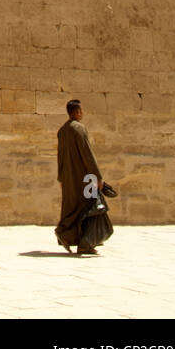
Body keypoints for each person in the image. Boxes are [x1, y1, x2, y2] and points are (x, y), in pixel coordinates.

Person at [55, 99, 111, 255]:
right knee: (90, 207)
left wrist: (61, 177)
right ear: (77, 112)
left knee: (73, 207)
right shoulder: (79, 129)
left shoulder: (63, 130)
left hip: (68, 177)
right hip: (85, 178)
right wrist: (98, 177)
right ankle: (84, 242)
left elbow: (60, 156)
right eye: (81, 110)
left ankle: (76, 239)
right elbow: (88, 155)